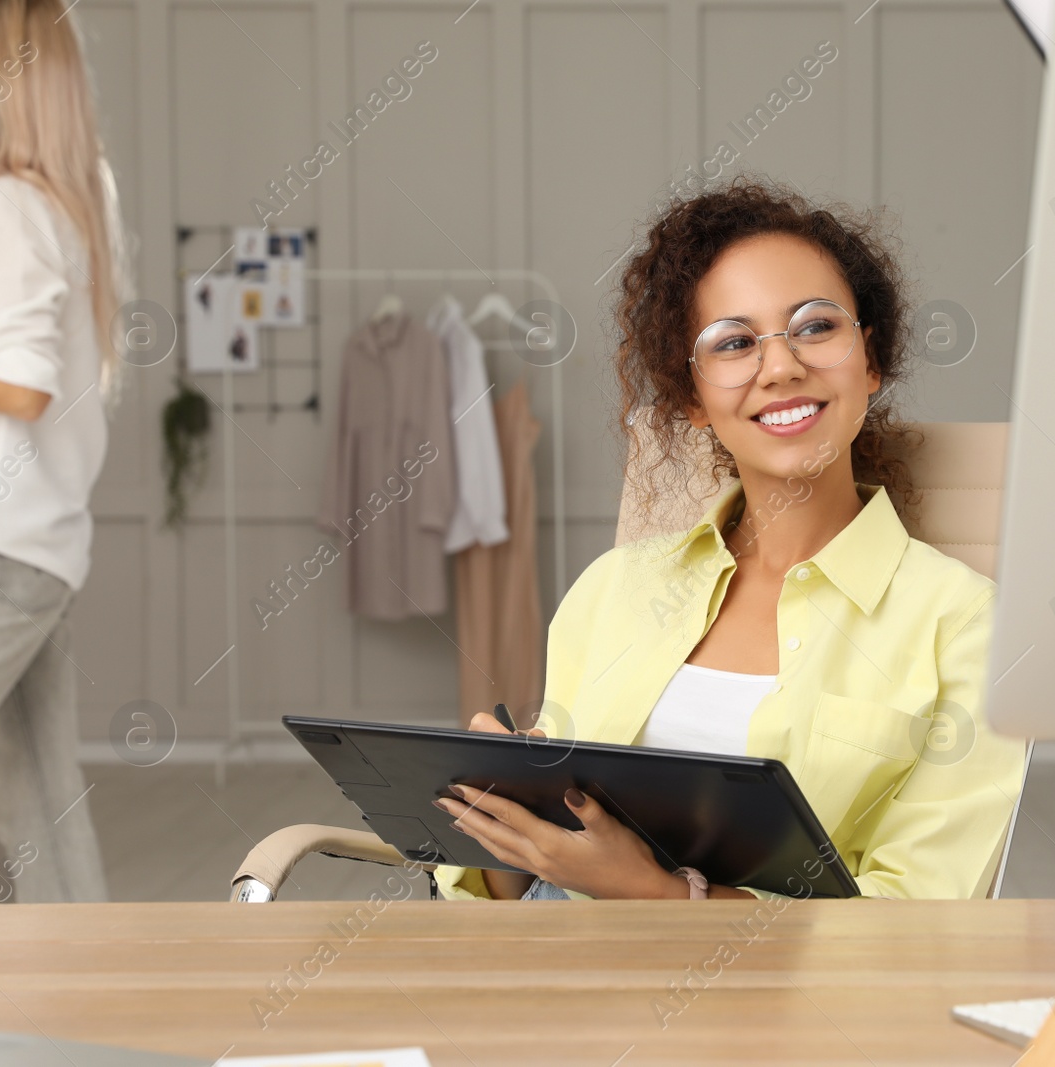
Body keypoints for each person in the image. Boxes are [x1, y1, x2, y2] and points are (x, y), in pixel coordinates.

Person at [431, 176, 1024, 901]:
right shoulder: (613, 589)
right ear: (694, 400)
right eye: (735, 342)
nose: (780, 366)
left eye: (815, 326)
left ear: (869, 359)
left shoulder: (969, 628)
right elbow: (509, 902)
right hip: (558, 989)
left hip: (800, 1013)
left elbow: (921, 919)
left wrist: (651, 894)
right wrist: (510, 825)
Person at [0, 0, 129, 903]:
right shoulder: (66, 202)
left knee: (39, 804)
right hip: (33, 552)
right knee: (43, 808)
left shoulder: (6, 207)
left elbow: (22, 386)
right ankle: (92, 1025)